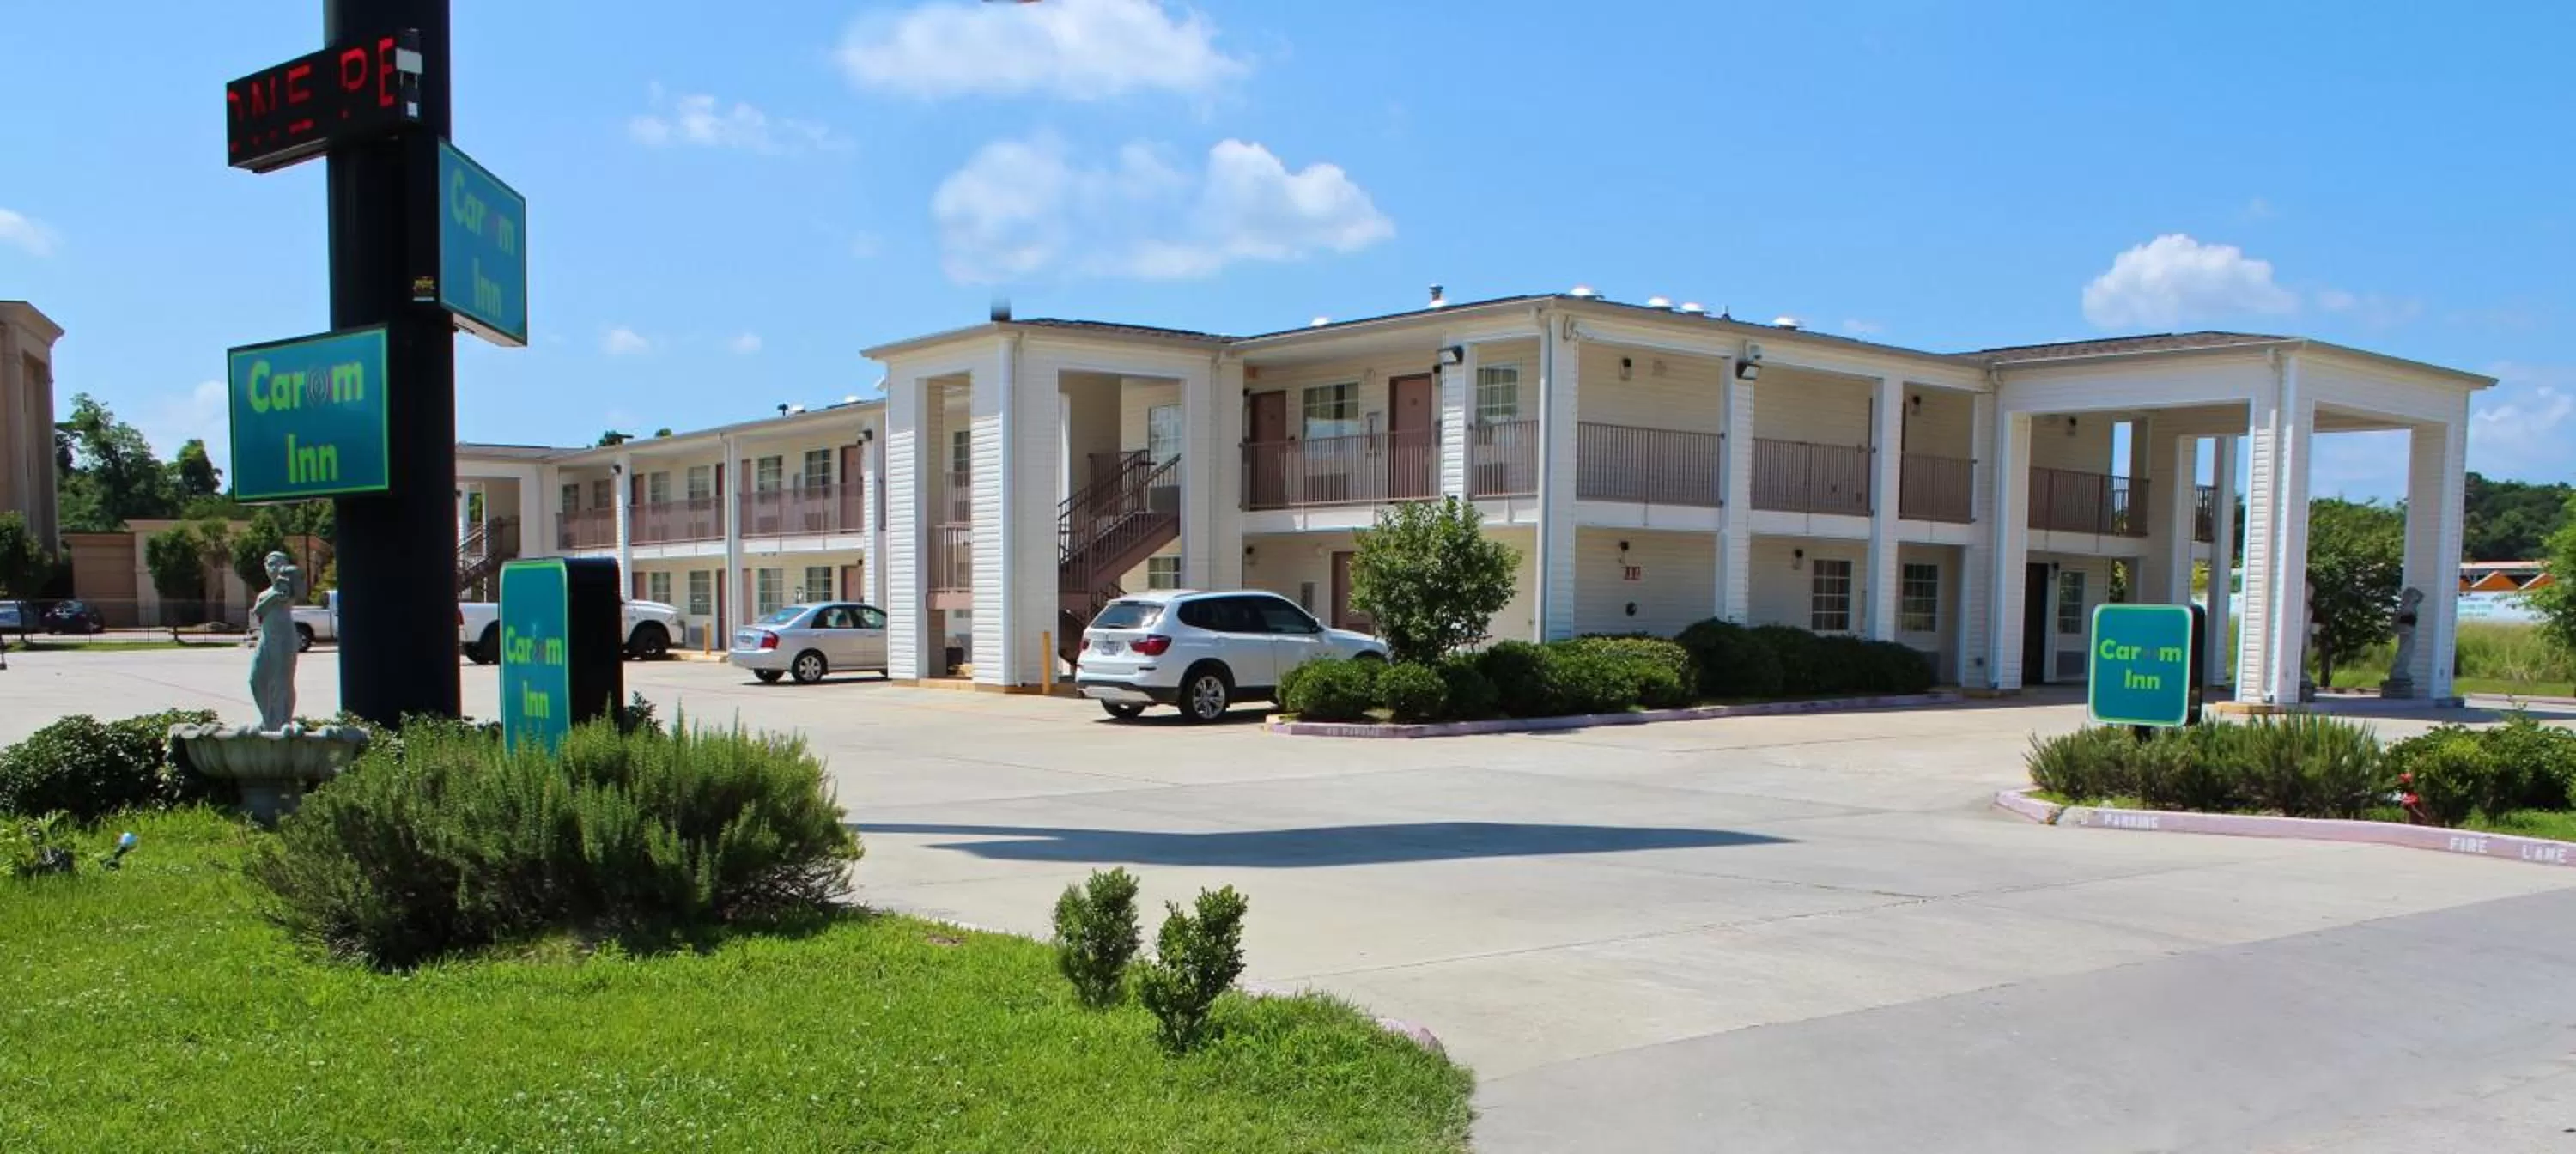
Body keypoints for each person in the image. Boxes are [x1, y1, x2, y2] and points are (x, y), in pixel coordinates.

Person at [249, 551, 301, 731]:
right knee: (255, 679)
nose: (274, 568)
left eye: (279, 564)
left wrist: (289, 577)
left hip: (285, 638)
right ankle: (267, 718)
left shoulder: (289, 589)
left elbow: (298, 585)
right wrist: (274, 596)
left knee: (283, 680)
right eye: (270, 564)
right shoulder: (265, 594)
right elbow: (258, 611)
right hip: (267, 639)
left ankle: (283, 721)